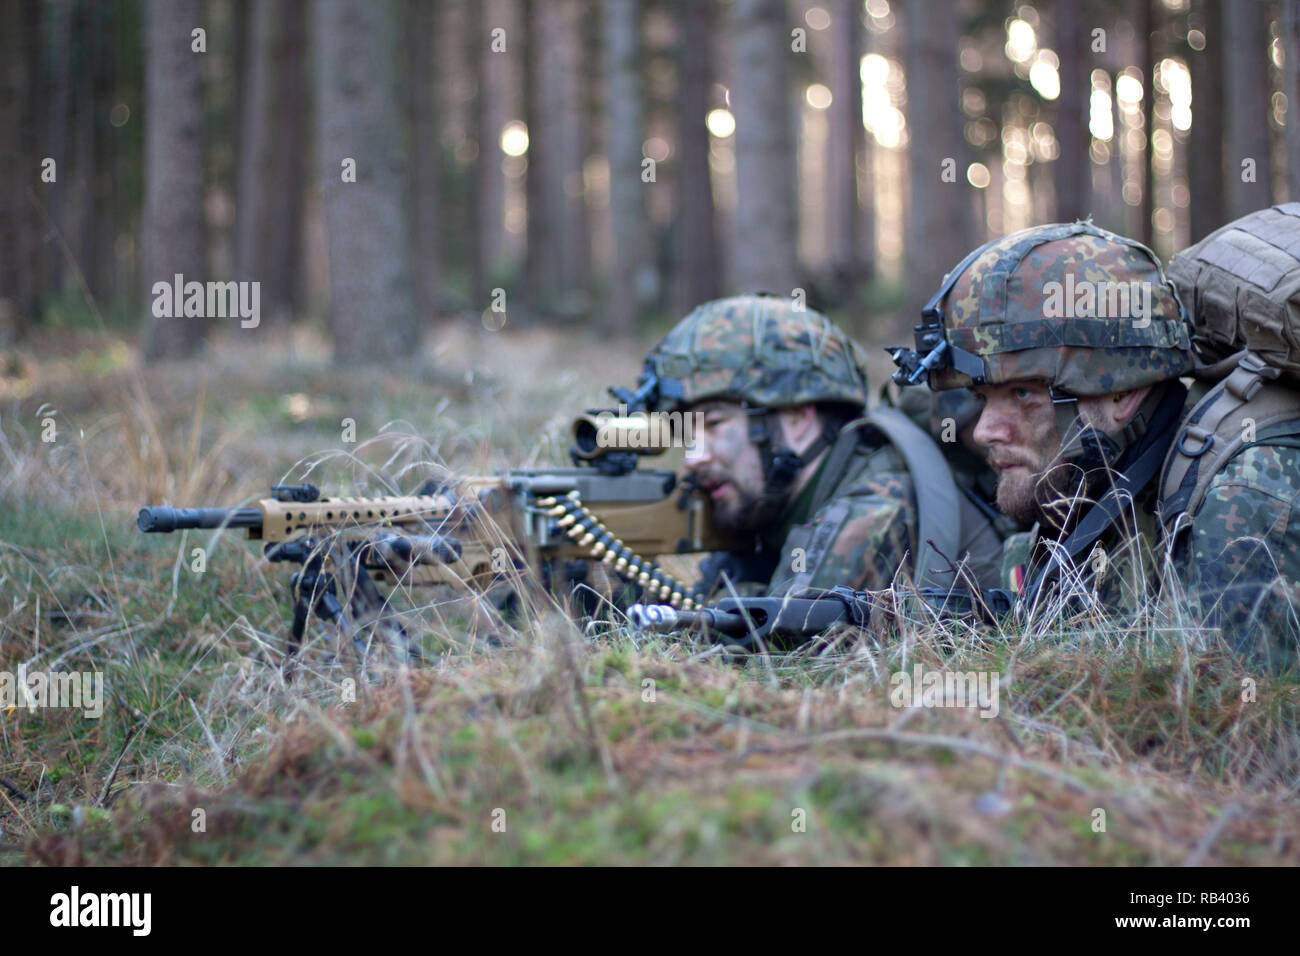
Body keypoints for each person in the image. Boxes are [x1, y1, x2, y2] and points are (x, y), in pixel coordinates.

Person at [886, 220, 1300, 669]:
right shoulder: (1093, 479)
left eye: (1023, 394)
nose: (985, 431)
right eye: (984, 399)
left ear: (1120, 392)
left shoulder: (1242, 497)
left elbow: (1227, 724)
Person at [641, 293, 1010, 599]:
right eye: (688, 433)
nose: (694, 457)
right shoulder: (774, 507)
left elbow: (775, 656)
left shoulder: (875, 503)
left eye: (715, 424)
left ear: (798, 420)